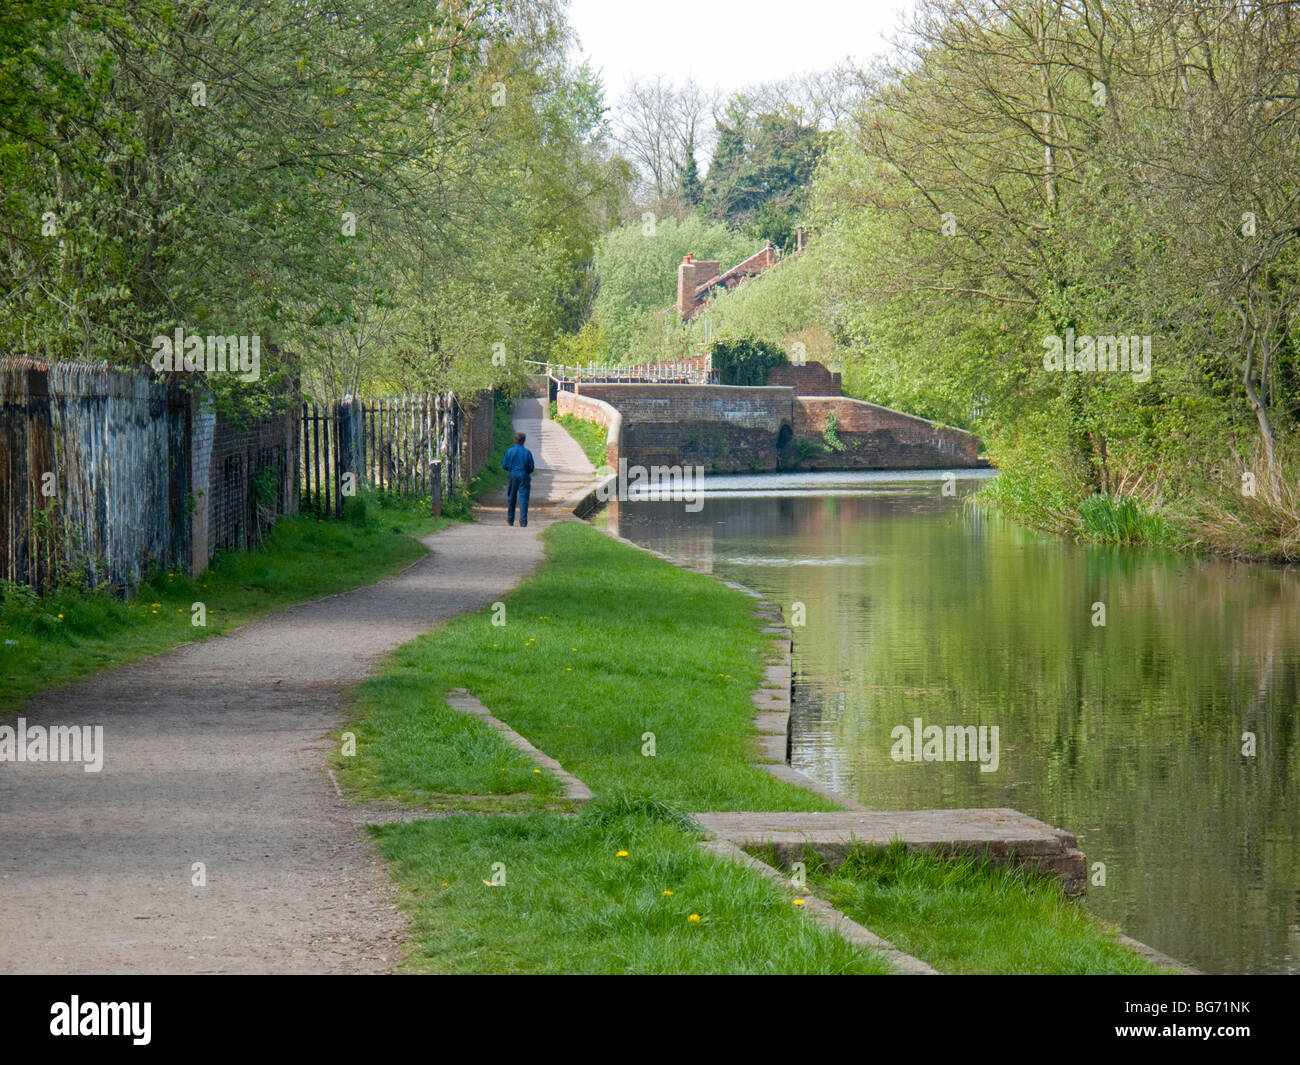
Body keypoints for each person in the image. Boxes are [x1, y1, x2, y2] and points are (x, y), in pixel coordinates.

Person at [501, 431, 535, 527]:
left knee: (511, 497)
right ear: (523, 441)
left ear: (515, 440)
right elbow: (531, 467)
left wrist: (511, 469)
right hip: (524, 475)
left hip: (512, 475)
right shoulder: (527, 453)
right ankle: (523, 521)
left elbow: (504, 465)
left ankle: (510, 519)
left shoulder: (509, 451)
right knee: (523, 498)